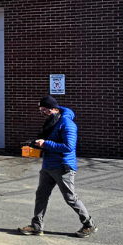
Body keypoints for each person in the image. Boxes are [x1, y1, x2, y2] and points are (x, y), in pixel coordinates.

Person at [19, 95, 95, 237]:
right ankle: (36, 226)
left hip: (63, 167)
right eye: (41, 111)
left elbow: (68, 146)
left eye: (45, 111)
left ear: (54, 109)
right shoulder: (51, 122)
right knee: (41, 195)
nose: (43, 114)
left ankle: (88, 224)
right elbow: (50, 141)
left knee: (70, 198)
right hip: (48, 165)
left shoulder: (67, 123)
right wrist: (35, 144)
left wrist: (46, 143)